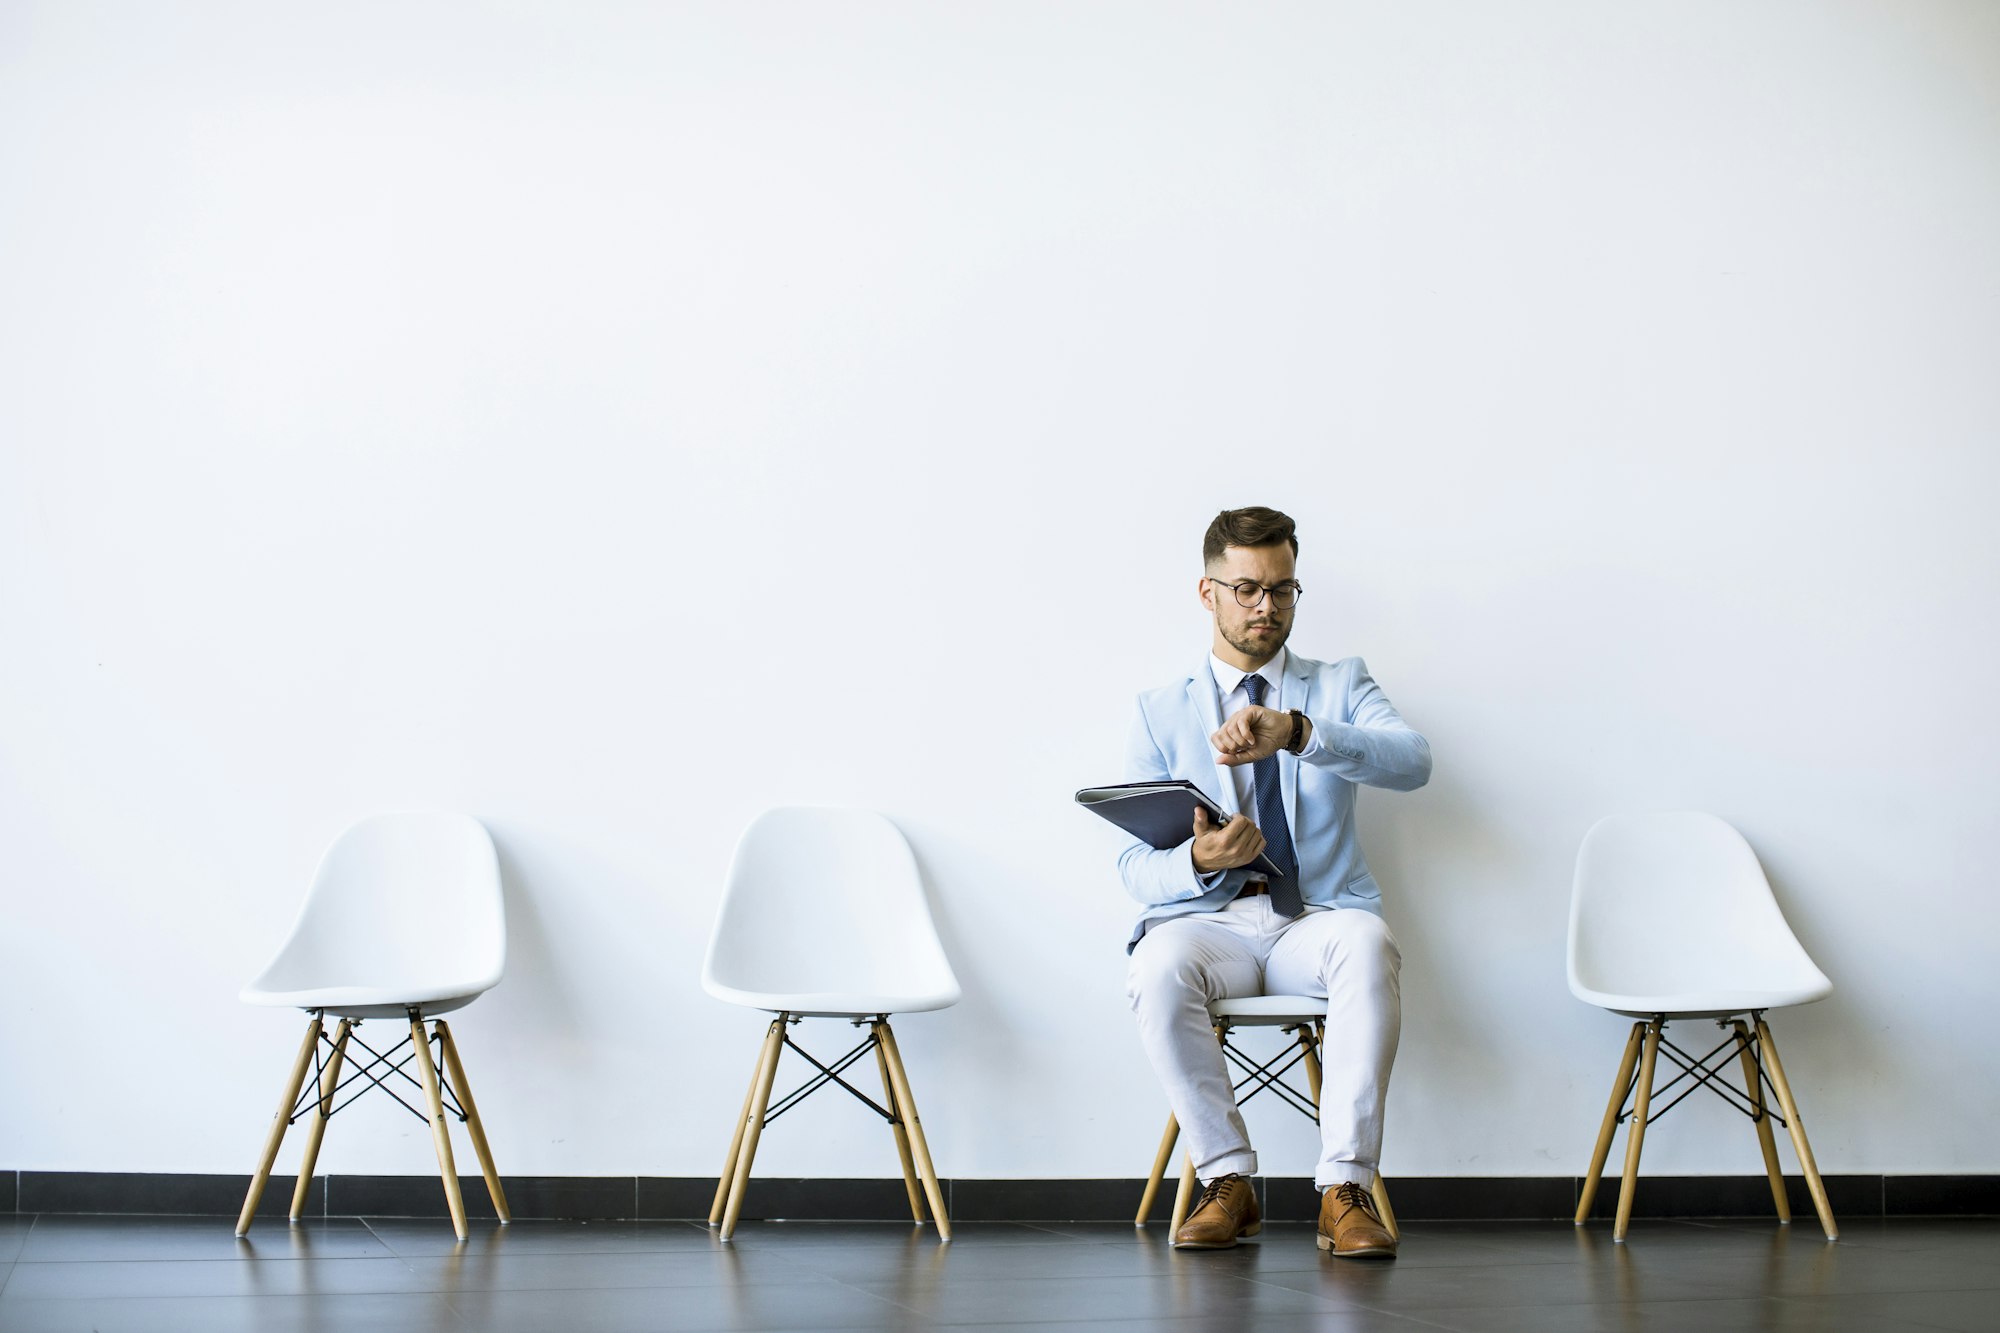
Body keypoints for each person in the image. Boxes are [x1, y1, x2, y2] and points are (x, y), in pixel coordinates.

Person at [1118, 506, 1430, 1257]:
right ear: (1208, 592)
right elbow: (1134, 870)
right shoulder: (1161, 711)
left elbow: (1413, 761)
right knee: (1154, 964)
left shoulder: (1339, 683)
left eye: (1283, 589)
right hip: (1214, 925)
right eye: (1249, 588)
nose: (1267, 606)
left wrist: (1299, 731)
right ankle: (1227, 1179)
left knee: (1367, 941)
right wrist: (1202, 861)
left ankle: (1344, 1188)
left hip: (1313, 917)